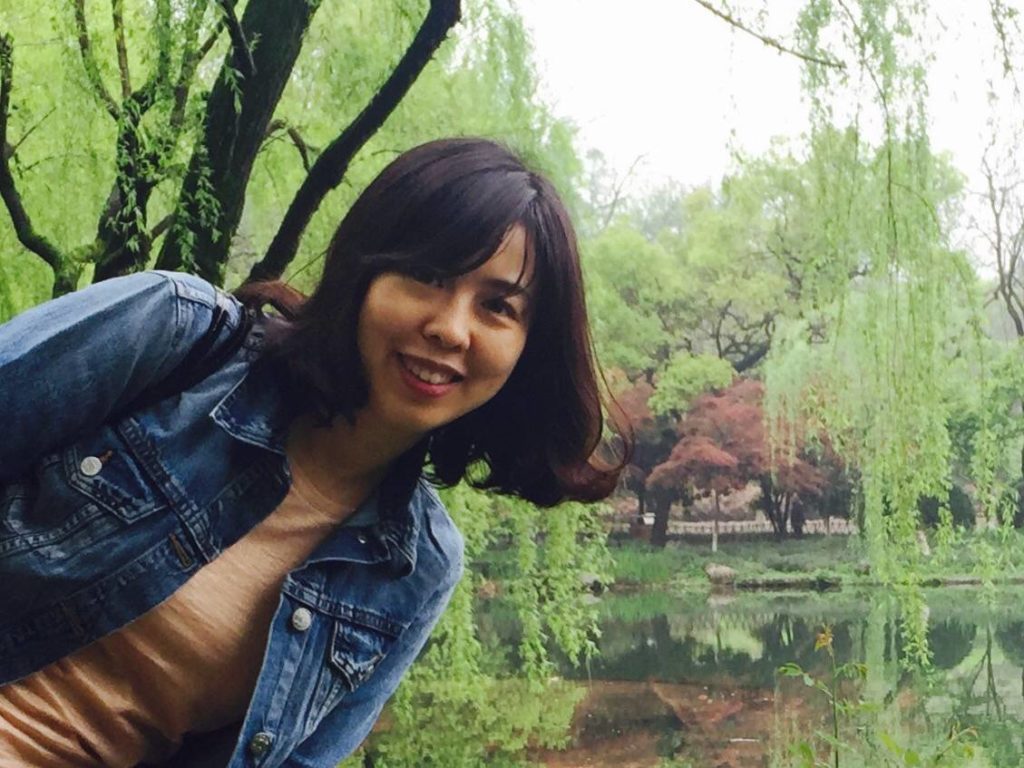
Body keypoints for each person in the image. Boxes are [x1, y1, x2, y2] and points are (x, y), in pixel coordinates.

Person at [0, 137, 626, 767]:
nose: (449, 328)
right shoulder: (174, 331)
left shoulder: (417, 570)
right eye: (428, 276)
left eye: (497, 306)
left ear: (528, 350)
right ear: (364, 271)